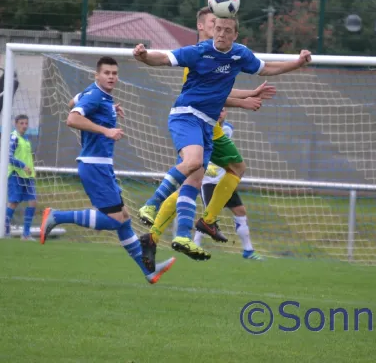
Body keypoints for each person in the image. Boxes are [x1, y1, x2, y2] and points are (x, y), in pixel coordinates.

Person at [132, 14, 311, 265]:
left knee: (197, 178)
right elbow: (164, 59)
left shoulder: (239, 55)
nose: (221, 33)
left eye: (227, 29)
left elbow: (263, 70)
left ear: (235, 34)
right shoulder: (198, 53)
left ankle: (175, 234)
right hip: (190, 117)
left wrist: (297, 63)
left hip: (207, 124)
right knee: (197, 166)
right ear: (206, 28)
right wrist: (144, 56)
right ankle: (158, 208)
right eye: (217, 27)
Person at [39, 56, 176, 285]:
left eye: (114, 73)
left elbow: (73, 102)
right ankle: (56, 216)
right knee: (114, 220)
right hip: (94, 165)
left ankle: (148, 271)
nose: (111, 76)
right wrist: (106, 130)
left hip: (101, 166)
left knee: (123, 219)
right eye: (107, 73)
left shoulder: (100, 97)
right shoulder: (95, 95)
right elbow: (72, 118)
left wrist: (107, 108)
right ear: (97, 75)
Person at [194, 108, 263, 260]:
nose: (220, 113)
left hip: (225, 180)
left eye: (223, 111)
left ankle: (248, 250)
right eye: (217, 110)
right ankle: (195, 245)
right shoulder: (206, 128)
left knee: (240, 211)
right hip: (209, 181)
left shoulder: (227, 129)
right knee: (208, 217)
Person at [5, 114, 37, 240]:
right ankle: (5, 230)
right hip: (16, 174)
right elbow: (9, 157)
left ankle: (26, 234)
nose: (24, 126)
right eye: (22, 123)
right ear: (16, 124)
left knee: (33, 202)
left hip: (28, 176)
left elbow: (27, 157)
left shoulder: (26, 139)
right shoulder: (14, 137)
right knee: (14, 202)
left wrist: (32, 170)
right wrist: (22, 165)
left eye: (26, 123)